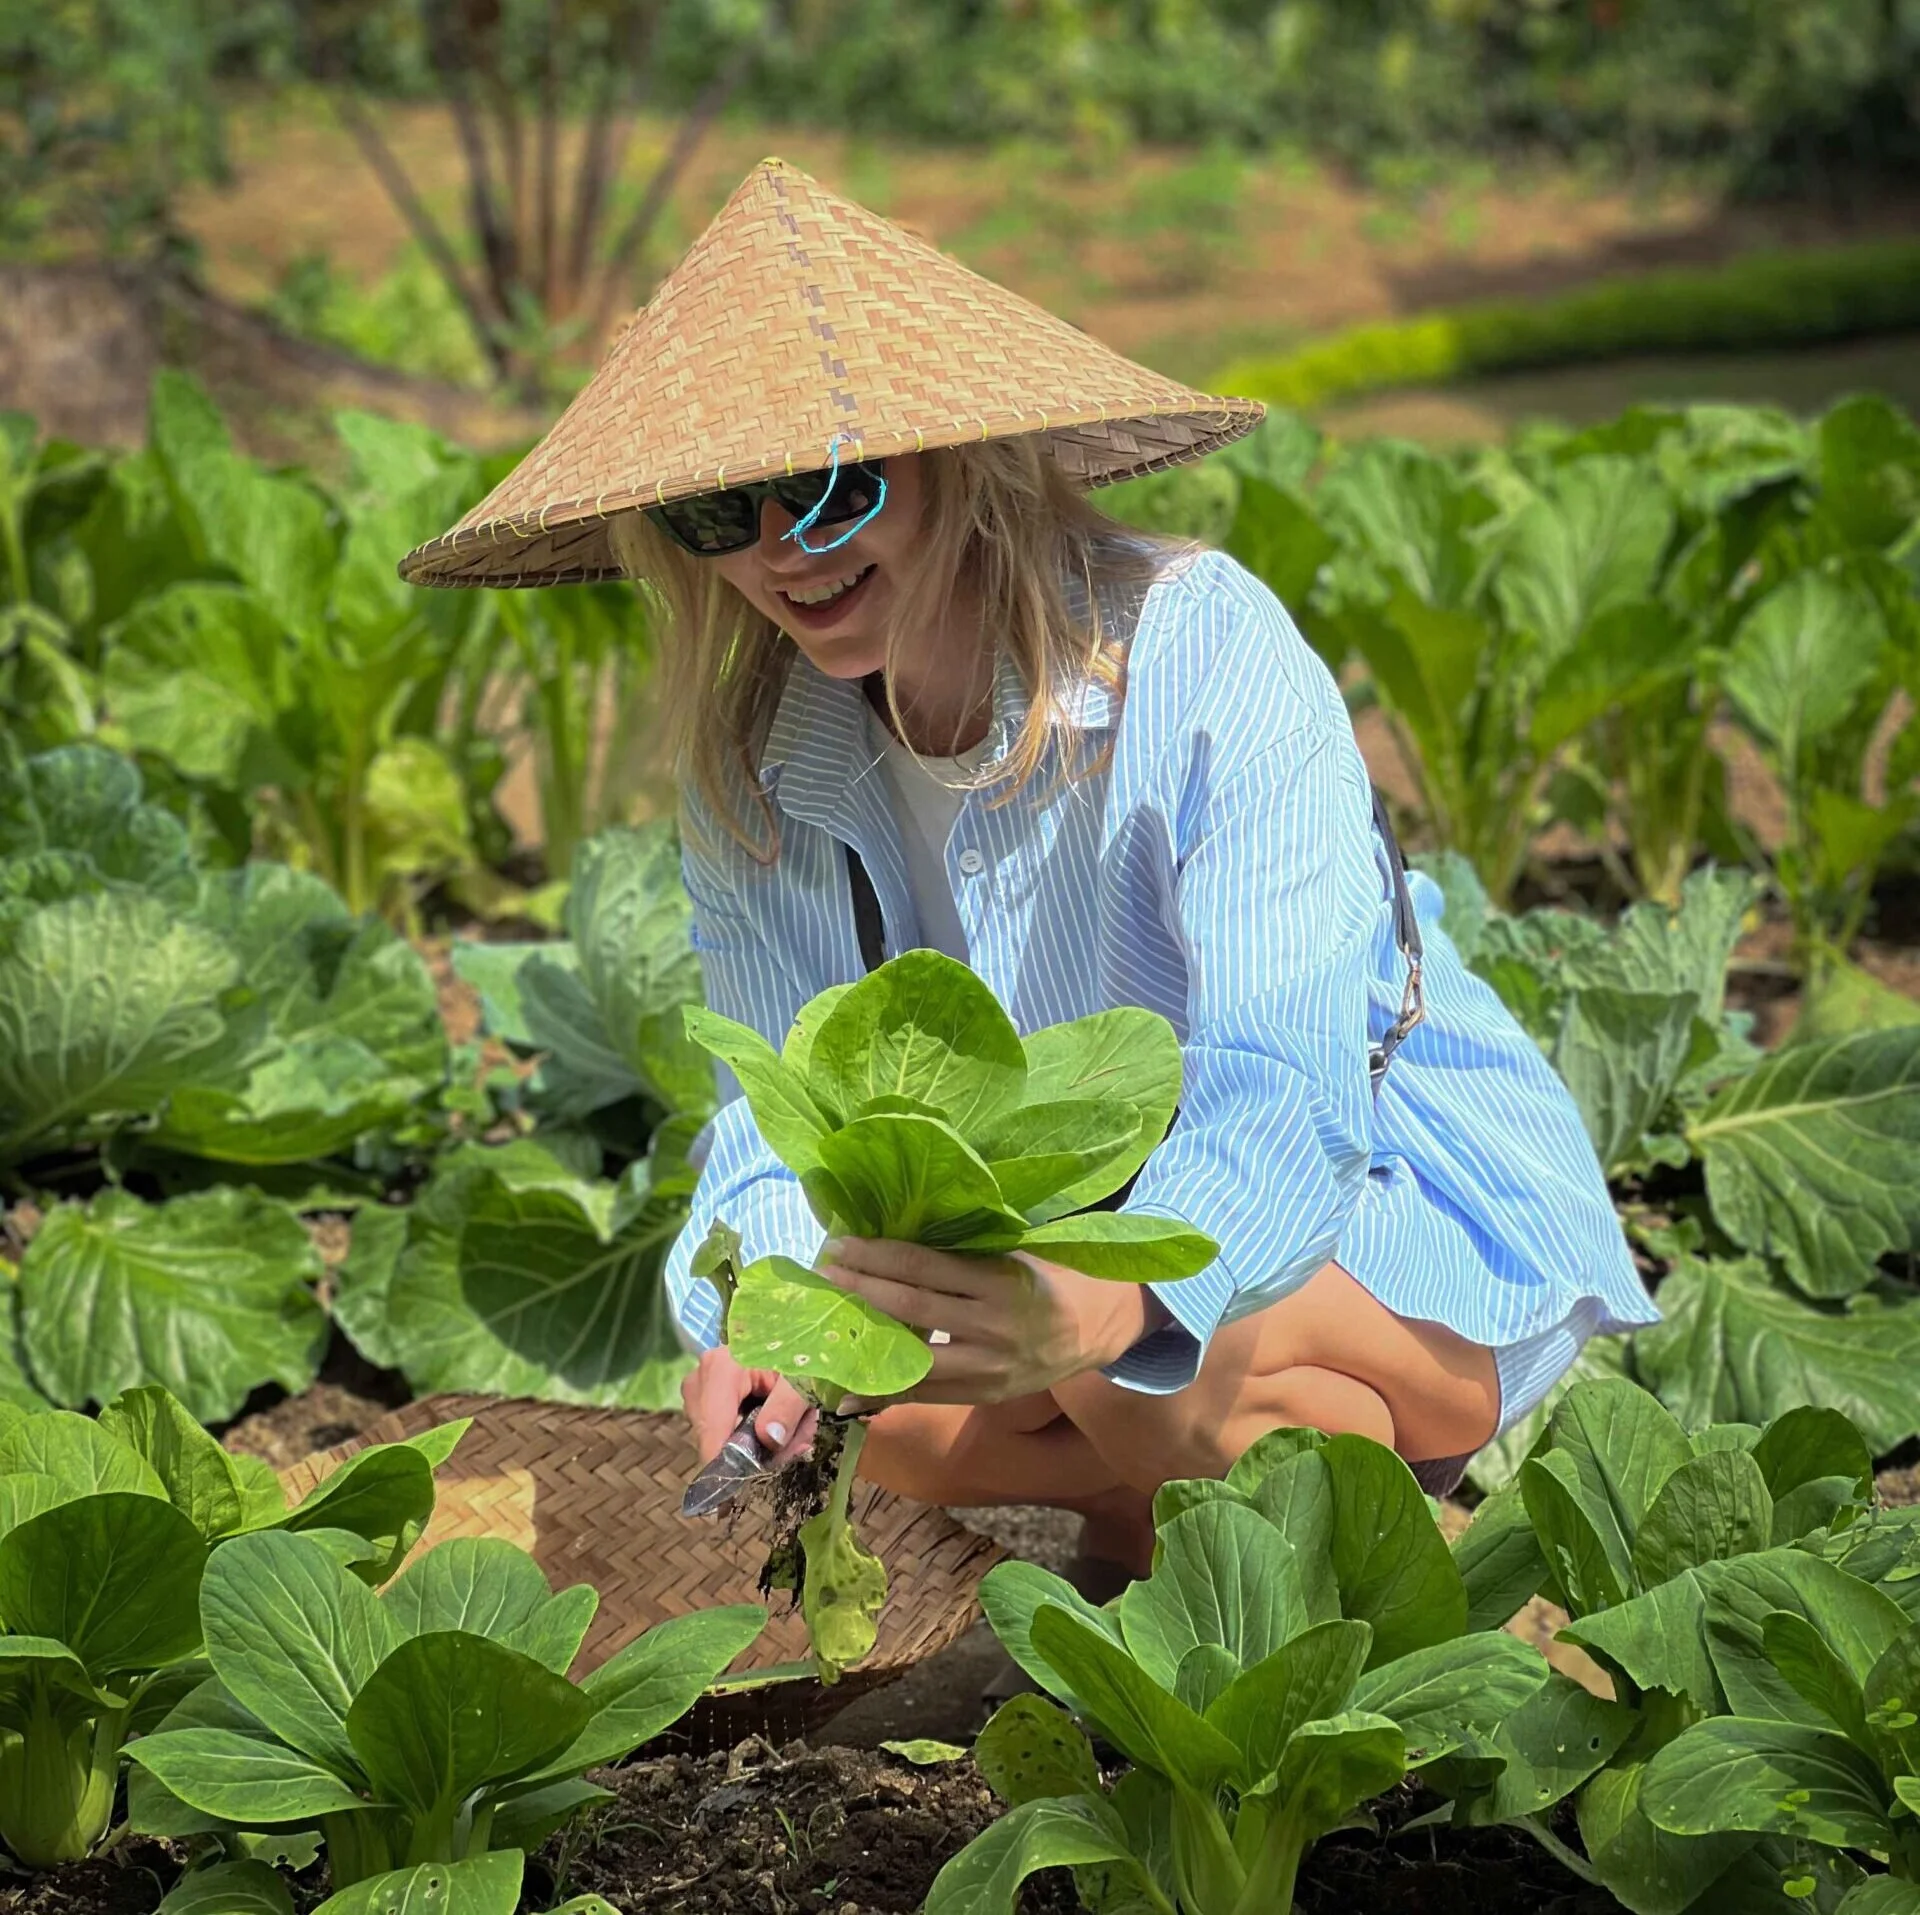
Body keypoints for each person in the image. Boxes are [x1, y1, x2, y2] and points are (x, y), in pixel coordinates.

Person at [401, 158, 1656, 1601]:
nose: (776, 557)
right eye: (714, 515)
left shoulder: (1203, 653)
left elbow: (1282, 1083)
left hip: (1377, 1201)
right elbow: (773, 1113)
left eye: (828, 489)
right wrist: (752, 1315)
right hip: (1042, 1267)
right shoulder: (758, 762)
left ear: (968, 456)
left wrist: (1115, 1295)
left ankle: (1311, 1520)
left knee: (1160, 1388)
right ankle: (1194, 1517)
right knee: (887, 1429)